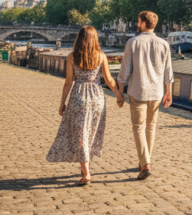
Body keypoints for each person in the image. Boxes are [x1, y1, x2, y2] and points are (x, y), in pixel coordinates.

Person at [47, 26, 123, 185]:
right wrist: (118, 95)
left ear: (79, 38)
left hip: (79, 97)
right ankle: (86, 167)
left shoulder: (72, 57)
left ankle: (86, 172)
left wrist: (62, 102)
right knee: (91, 132)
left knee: (80, 134)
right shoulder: (101, 56)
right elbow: (109, 80)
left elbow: (68, 82)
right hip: (97, 97)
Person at [117, 11, 173, 181]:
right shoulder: (164, 44)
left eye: (138, 21)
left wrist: (120, 92)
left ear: (141, 23)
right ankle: (145, 160)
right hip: (156, 92)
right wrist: (168, 92)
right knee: (151, 127)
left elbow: (124, 71)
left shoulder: (133, 42)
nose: (137, 24)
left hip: (138, 91)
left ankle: (145, 164)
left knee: (138, 127)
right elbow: (168, 72)